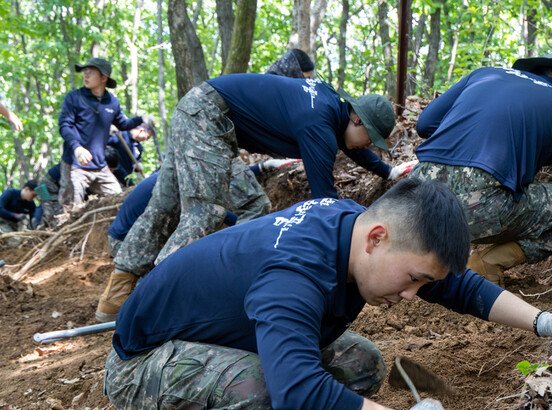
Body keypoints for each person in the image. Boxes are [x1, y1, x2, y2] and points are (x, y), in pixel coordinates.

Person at [104, 177, 552, 410]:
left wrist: (544, 321)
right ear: (377, 239)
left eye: (421, 285)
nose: (413, 296)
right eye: (412, 278)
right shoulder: (294, 273)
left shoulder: (355, 226)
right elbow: (298, 386)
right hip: (144, 365)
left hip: (223, 336)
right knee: (255, 387)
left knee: (360, 363)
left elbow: (456, 286)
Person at [95, 72, 397, 322]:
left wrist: (388, 173)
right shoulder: (319, 123)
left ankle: (116, 296)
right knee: (205, 211)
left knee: (217, 204)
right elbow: (324, 204)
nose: (367, 146)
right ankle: (151, 300)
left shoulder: (329, 108)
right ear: (356, 118)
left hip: (207, 115)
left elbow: (351, 145)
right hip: (207, 118)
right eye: (369, 138)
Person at [409, 53, 552, 284]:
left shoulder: (485, 74)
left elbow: (424, 124)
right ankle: (488, 262)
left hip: (413, 195)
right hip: (474, 206)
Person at [106, 159, 281, 258]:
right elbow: (211, 209)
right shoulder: (177, 183)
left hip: (139, 235)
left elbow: (222, 175)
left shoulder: (173, 173)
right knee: (159, 278)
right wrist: (253, 227)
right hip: (125, 242)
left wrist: (262, 166)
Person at [58, 57, 145, 211]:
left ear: (104, 78)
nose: (85, 76)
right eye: (85, 72)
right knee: (70, 210)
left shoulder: (112, 102)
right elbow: (65, 126)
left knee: (120, 202)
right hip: (75, 165)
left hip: (100, 166)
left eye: (90, 72)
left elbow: (123, 124)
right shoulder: (74, 97)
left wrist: (142, 119)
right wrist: (76, 148)